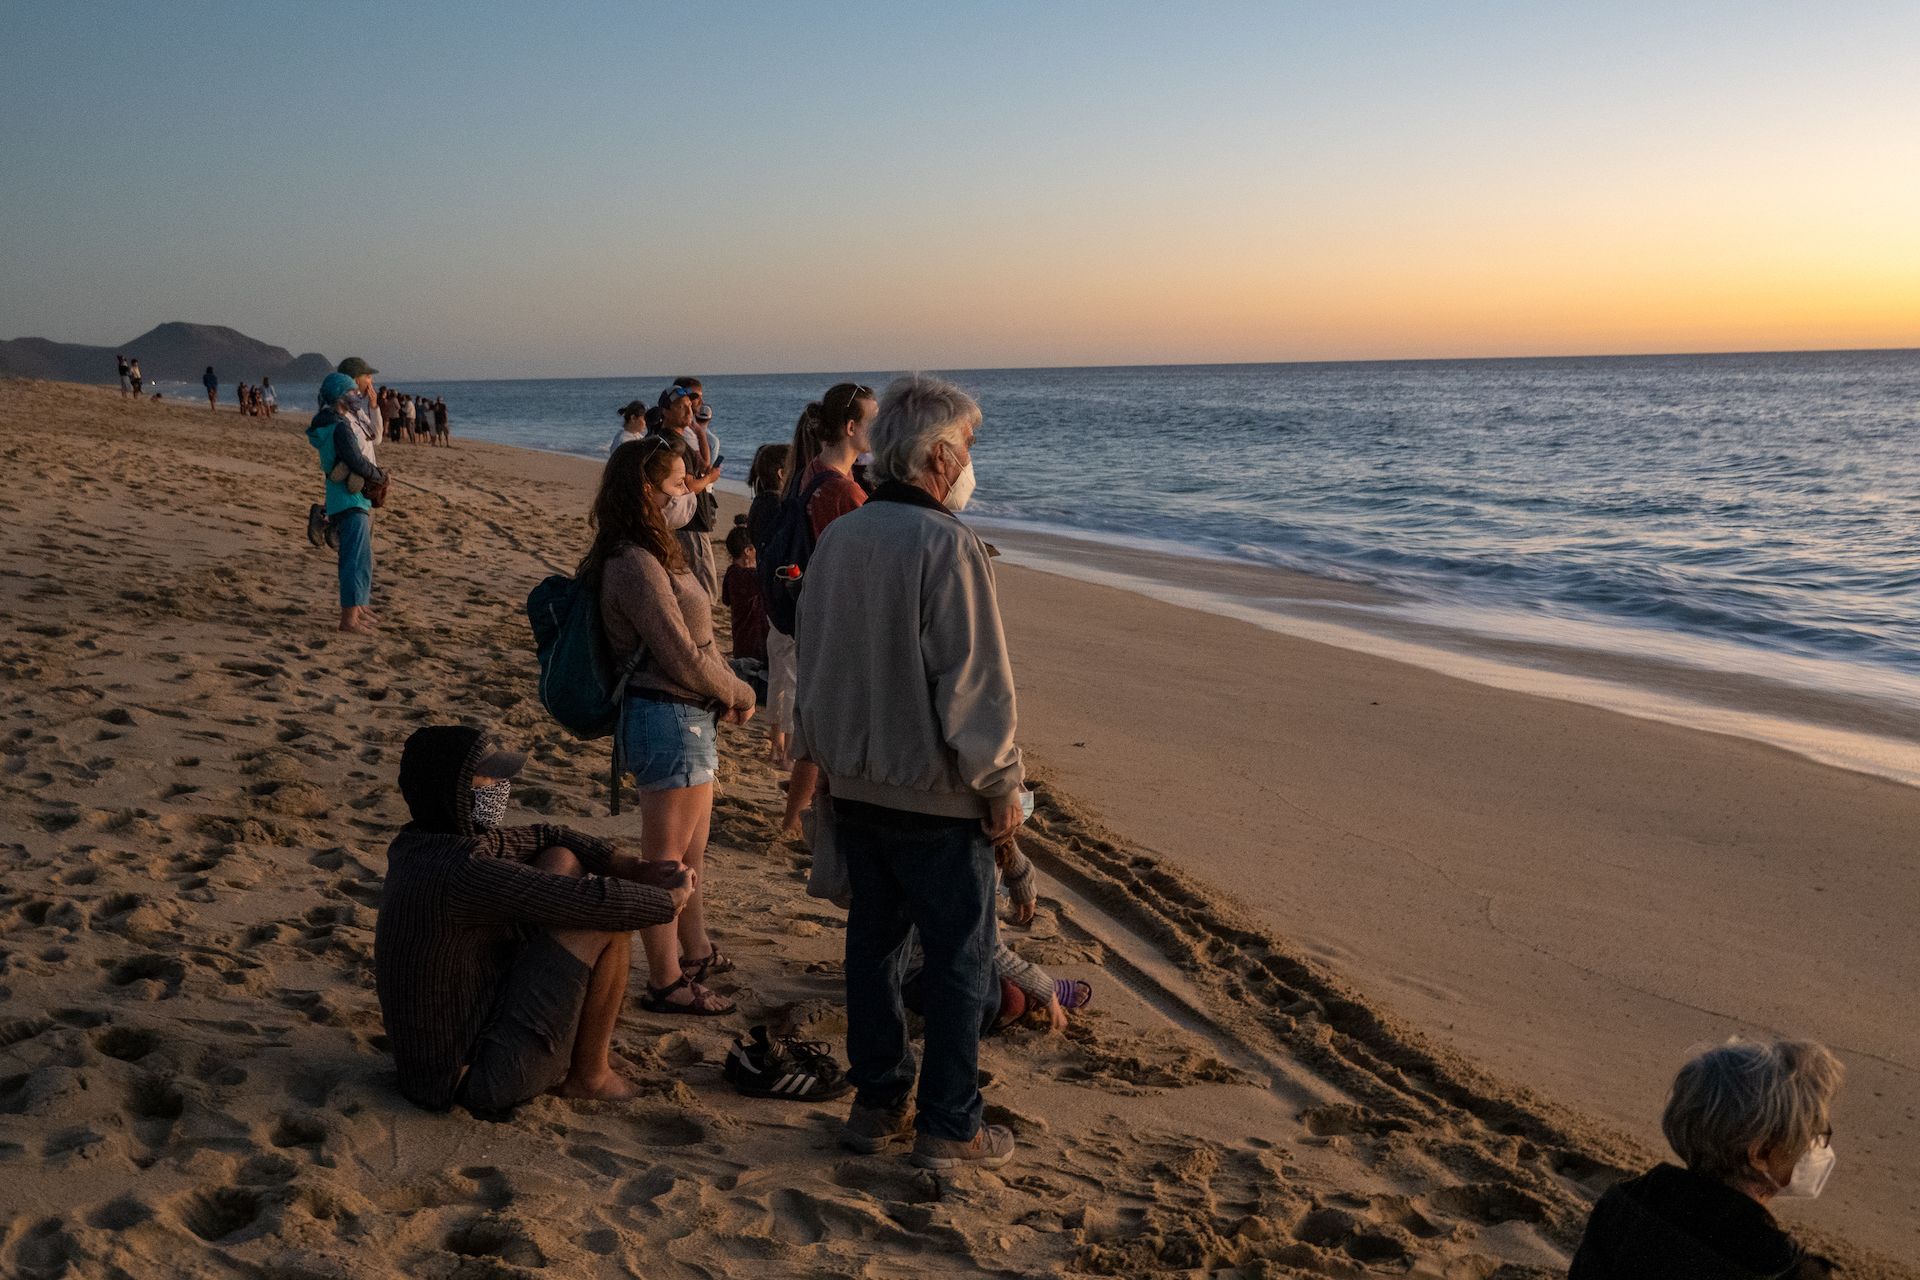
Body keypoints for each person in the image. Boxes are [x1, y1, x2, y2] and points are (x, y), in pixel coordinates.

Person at [792, 373, 1024, 1171]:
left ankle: (877, 1101)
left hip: (856, 784)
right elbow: (974, 684)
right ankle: (948, 1123)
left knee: (874, 951)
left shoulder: (842, 539)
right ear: (937, 454)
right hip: (933, 793)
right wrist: (999, 787)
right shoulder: (948, 546)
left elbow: (812, 666)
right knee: (959, 962)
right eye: (967, 447)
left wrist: (819, 760)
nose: (970, 462)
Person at [375, 724, 694, 1111]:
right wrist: (669, 900)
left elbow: (546, 835)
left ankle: (586, 1054)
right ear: (455, 792)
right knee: (606, 922)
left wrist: (631, 866)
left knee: (561, 858)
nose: (498, 785)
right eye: (488, 777)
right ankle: (590, 1076)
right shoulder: (463, 871)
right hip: (468, 1080)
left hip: (461, 1040)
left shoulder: (422, 841)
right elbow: (595, 902)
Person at [587, 437, 757, 1015]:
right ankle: (664, 980)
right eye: (680, 482)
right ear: (646, 488)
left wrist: (723, 690)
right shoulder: (632, 561)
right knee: (665, 864)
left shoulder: (658, 549)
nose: (688, 490)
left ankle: (695, 949)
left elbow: (698, 645)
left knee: (693, 853)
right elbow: (679, 654)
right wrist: (737, 689)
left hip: (691, 713)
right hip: (666, 716)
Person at [1570, 1037, 1843, 1279]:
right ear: (1760, 1153)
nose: (1815, 1148)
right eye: (1814, 1135)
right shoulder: (1784, 1268)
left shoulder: (1623, 1204)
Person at [777, 382, 877, 838]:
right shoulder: (844, 493)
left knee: (816, 722)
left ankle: (798, 817)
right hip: (840, 619)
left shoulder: (810, 471)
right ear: (852, 427)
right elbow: (862, 565)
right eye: (873, 421)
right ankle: (802, 820)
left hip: (810, 609)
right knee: (832, 726)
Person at [305, 371, 387, 633]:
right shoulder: (339, 426)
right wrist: (380, 476)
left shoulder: (327, 422)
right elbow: (355, 460)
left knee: (357, 556)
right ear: (341, 397)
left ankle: (356, 611)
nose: (357, 396)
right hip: (350, 498)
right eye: (352, 392)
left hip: (340, 496)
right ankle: (348, 620)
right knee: (355, 557)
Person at [649, 385, 723, 601]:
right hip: (690, 523)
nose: (689, 411)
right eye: (681, 407)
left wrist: (698, 431)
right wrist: (710, 479)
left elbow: (702, 465)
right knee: (705, 589)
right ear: (665, 411)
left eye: (690, 406)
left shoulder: (671, 439)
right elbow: (688, 486)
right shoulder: (674, 443)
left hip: (680, 522)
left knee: (686, 584)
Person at [720, 521, 768, 664]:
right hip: (754, 643)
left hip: (740, 639)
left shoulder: (731, 573)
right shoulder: (750, 577)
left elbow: (725, 599)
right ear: (747, 551)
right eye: (754, 549)